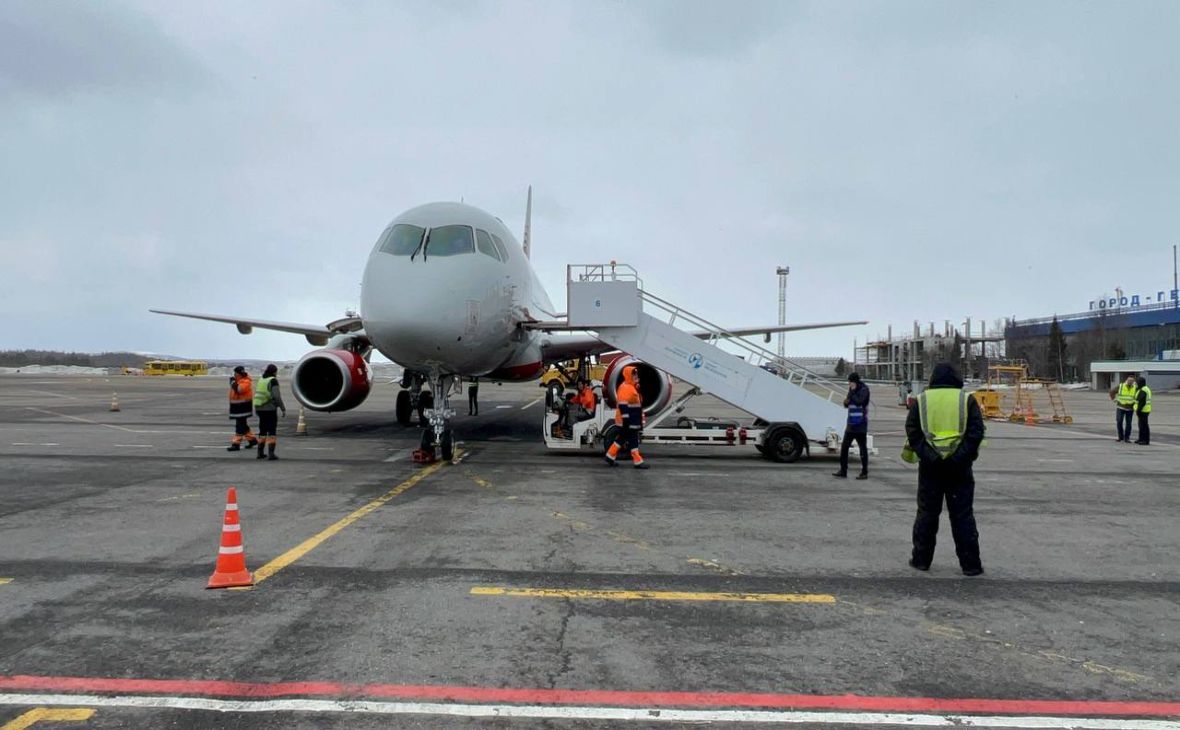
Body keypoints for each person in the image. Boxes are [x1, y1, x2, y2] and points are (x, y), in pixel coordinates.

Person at [904, 362, 986, 576]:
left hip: (930, 468)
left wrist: (931, 457)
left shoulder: (922, 400)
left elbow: (913, 431)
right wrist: (958, 457)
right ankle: (971, 565)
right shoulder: (966, 399)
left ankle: (921, 560)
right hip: (960, 468)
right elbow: (976, 432)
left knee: (927, 514)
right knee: (963, 516)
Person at [604, 365, 648, 469]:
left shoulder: (630, 387)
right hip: (628, 420)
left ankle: (610, 456)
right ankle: (638, 462)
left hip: (631, 420)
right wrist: (626, 420)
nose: (636, 376)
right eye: (634, 374)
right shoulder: (626, 388)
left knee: (622, 439)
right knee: (633, 440)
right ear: (628, 375)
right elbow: (623, 405)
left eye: (636, 374)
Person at [833, 372, 870, 479]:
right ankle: (843, 470)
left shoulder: (864, 390)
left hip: (860, 424)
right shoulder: (851, 389)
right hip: (850, 424)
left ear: (855, 381)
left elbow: (859, 402)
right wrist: (847, 399)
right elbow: (846, 403)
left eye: (850, 382)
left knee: (862, 449)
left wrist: (853, 392)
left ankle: (864, 472)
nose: (849, 384)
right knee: (844, 448)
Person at [252, 363, 287, 460]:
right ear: (274, 372)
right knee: (272, 431)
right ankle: (271, 454)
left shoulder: (261, 379)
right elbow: (276, 396)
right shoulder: (273, 380)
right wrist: (283, 408)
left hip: (259, 408)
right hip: (269, 409)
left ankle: (260, 453)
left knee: (262, 430)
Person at [226, 366, 258, 452]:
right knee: (243, 425)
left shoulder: (246, 381)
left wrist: (233, 383)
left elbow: (239, 390)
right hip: (238, 406)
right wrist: (234, 382)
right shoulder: (239, 381)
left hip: (243, 407)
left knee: (239, 425)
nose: (234, 374)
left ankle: (236, 444)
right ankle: (252, 440)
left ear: (239, 374)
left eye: (236, 373)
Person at [1109, 374, 1139, 443]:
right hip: (1120, 407)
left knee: (1128, 423)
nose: (1130, 382)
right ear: (1126, 380)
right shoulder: (1121, 386)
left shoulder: (1135, 388)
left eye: (1131, 381)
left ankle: (1127, 438)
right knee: (1119, 421)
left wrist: (1136, 404)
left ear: (1133, 381)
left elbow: (1138, 396)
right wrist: (1114, 399)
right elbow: (1112, 392)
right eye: (1129, 380)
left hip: (1130, 408)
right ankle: (1120, 437)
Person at [1133, 376, 1151, 445]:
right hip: (1144, 410)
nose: (1136, 384)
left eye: (1137, 382)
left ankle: (1145, 440)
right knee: (1141, 425)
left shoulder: (1143, 390)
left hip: (1143, 410)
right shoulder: (1144, 388)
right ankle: (1141, 438)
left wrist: (1138, 410)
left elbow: (1141, 402)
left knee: (1144, 426)